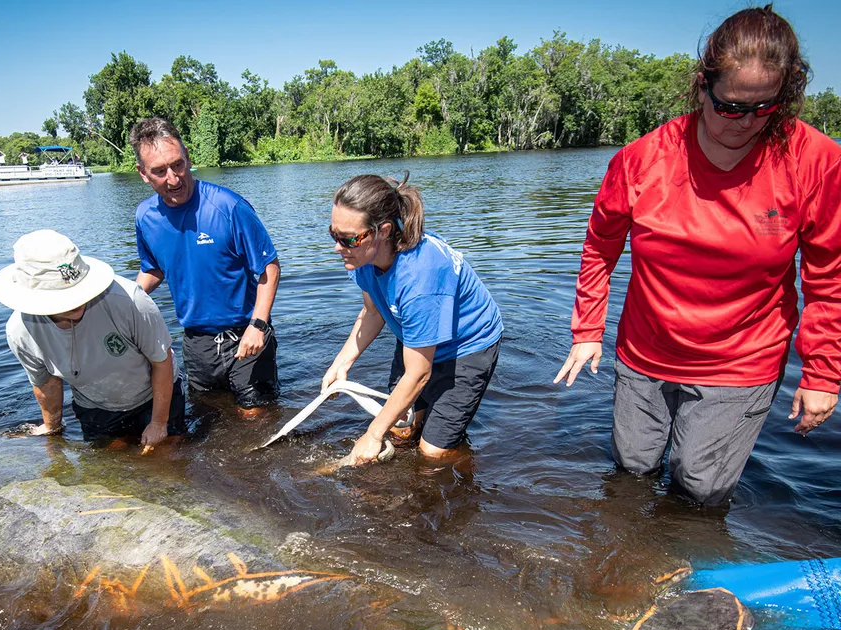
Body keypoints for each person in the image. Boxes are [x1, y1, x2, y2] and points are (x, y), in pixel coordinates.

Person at [554, 5, 841, 505]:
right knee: (633, 470)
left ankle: (688, 573)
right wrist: (586, 331)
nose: (743, 123)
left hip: (742, 358)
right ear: (703, 85)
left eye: (763, 108)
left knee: (698, 488)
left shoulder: (815, 161)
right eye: (729, 106)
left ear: (786, 96)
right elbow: (600, 246)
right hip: (645, 352)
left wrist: (822, 371)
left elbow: (828, 276)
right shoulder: (642, 159)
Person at [322, 174, 503, 464]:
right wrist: (341, 364)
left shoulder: (420, 277)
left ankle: (469, 466)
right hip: (418, 337)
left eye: (347, 239)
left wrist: (371, 434)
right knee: (401, 431)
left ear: (382, 231)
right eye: (334, 235)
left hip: (467, 346)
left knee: (431, 454)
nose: (337, 247)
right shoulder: (362, 256)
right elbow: (373, 310)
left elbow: (419, 373)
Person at [131, 117, 281, 412]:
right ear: (143, 174)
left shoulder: (228, 206)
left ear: (188, 157)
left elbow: (269, 268)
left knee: (256, 418)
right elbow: (153, 269)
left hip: (246, 334)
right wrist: (123, 302)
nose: (173, 179)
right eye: (160, 171)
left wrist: (258, 325)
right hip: (196, 344)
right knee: (207, 422)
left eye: (178, 165)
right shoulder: (145, 217)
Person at [0, 229, 185, 447]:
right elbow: (46, 382)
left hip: (153, 392)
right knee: (107, 462)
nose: (76, 302)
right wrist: (52, 428)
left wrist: (159, 422)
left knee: (166, 454)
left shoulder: (130, 301)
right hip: (94, 404)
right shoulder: (20, 331)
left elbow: (161, 361)